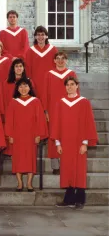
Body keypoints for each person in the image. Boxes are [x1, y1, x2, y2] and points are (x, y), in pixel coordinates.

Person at [52, 76, 97, 209]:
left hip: (79, 142)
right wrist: (58, 143)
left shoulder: (84, 102)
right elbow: (57, 124)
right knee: (67, 170)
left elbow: (87, 123)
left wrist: (85, 143)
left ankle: (80, 199)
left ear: (77, 86)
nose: (70, 87)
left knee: (79, 169)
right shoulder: (61, 103)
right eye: (67, 85)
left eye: (72, 84)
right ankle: (69, 199)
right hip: (65, 142)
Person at [5, 78, 48, 192]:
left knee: (30, 159)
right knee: (17, 159)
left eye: (25, 86)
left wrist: (39, 134)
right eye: (20, 87)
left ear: (30, 88)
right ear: (17, 89)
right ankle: (19, 183)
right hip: (17, 135)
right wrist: (10, 135)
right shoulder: (13, 102)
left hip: (31, 135)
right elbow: (9, 120)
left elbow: (40, 119)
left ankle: (29, 183)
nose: (23, 89)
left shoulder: (35, 101)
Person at [42, 52, 78, 175]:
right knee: (54, 136)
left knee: (68, 135)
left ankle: (67, 162)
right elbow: (45, 93)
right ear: (54, 61)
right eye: (58, 58)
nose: (60, 60)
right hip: (53, 109)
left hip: (69, 108)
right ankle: (55, 165)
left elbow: (76, 92)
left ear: (66, 60)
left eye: (63, 58)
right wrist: (45, 110)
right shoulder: (49, 74)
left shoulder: (71, 74)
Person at [2, 58, 33, 156]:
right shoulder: (7, 82)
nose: (18, 68)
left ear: (24, 68)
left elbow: (33, 97)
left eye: (20, 66)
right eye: (16, 66)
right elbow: (3, 98)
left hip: (25, 115)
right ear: (13, 68)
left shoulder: (29, 82)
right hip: (11, 113)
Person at [25, 26, 58, 97]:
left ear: (46, 36)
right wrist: (29, 81)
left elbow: (57, 66)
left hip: (50, 81)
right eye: (38, 35)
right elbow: (27, 67)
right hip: (35, 82)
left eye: (42, 34)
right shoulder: (30, 51)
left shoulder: (53, 50)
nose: (40, 37)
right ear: (35, 37)